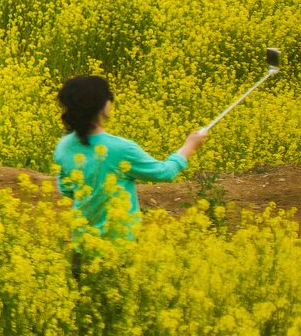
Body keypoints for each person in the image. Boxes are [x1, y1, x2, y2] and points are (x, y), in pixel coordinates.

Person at [52, 74, 205, 240]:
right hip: (119, 244)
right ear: (101, 106)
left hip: (82, 243)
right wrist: (189, 146)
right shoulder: (121, 149)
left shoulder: (63, 146)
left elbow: (66, 189)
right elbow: (164, 172)